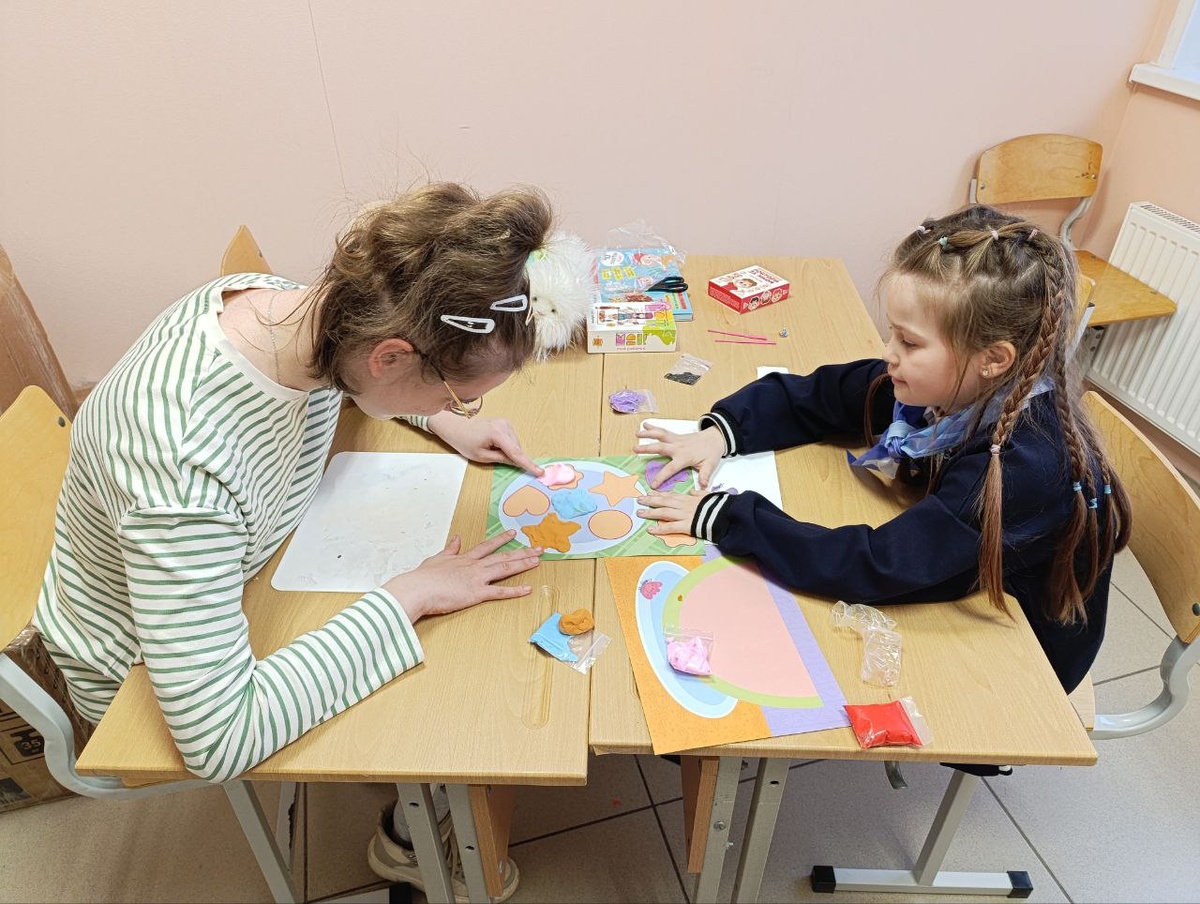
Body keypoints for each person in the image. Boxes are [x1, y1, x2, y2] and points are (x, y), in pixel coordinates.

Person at [34, 182, 590, 902]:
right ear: (392, 358)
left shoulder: (297, 311)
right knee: (457, 696)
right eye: (458, 394)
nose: (459, 406)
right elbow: (218, 737)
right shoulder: (180, 460)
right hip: (143, 666)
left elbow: (356, 372)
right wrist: (408, 597)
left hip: (245, 562)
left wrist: (446, 422)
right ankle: (420, 834)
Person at [635, 204, 1131, 696]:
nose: (889, 353)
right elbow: (828, 395)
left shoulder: (1023, 466)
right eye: (892, 332)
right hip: (965, 577)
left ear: (993, 358)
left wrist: (729, 518)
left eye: (909, 342)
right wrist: (722, 433)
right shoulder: (958, 382)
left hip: (1022, 662)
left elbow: (877, 565)